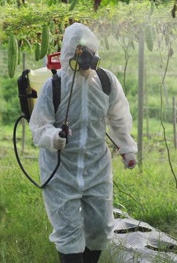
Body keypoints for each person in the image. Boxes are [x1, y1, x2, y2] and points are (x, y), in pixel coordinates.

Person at [29, 22, 138, 263]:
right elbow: (38, 126)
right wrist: (53, 137)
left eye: (89, 52)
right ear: (69, 53)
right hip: (61, 171)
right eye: (79, 53)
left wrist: (127, 147)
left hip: (95, 166)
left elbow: (118, 117)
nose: (86, 60)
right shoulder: (54, 86)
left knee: (100, 228)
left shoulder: (106, 81)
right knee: (68, 230)